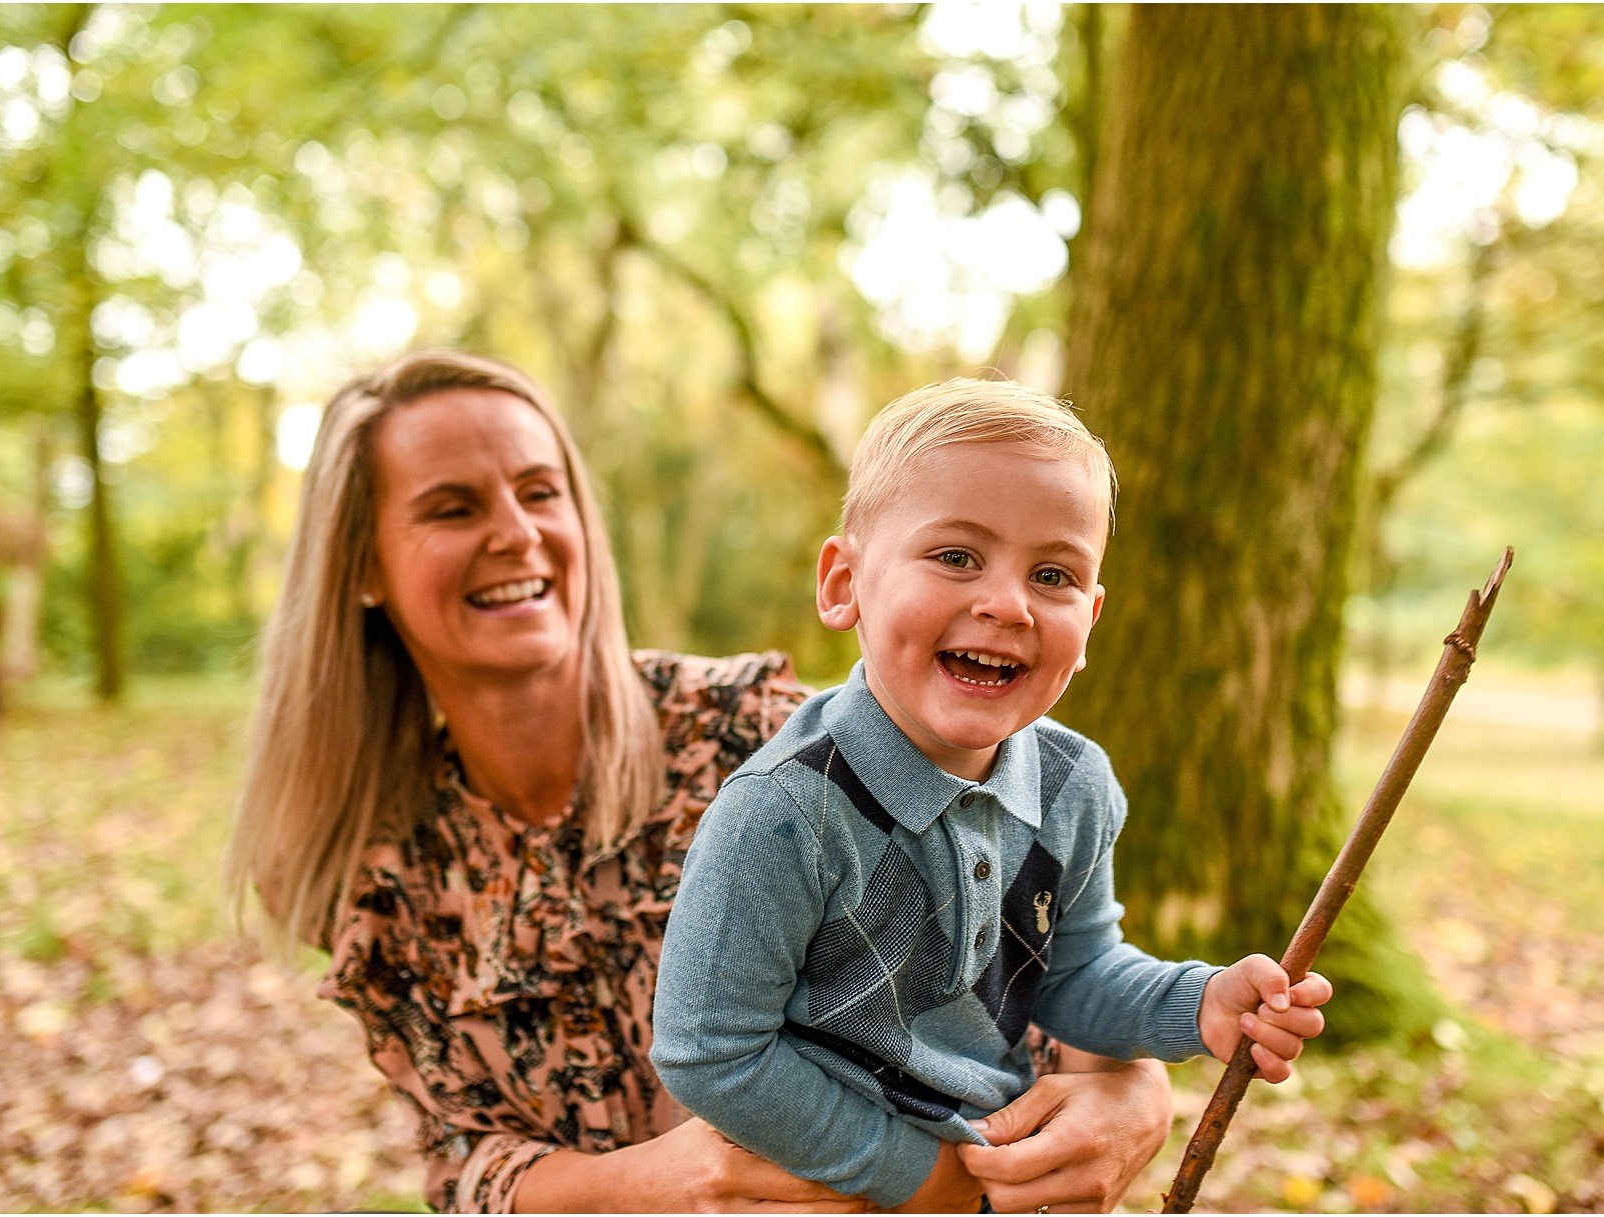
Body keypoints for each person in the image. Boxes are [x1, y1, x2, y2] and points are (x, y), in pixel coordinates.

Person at [228, 351, 1192, 1214]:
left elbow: (1010, 935)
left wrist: (1132, 1092)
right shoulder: (381, 872)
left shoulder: (755, 728)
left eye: (540, 491)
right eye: (453, 507)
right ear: (361, 565)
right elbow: (463, 1163)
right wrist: (664, 1184)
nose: (516, 533)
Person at [651, 379, 1333, 1210]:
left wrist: (1200, 1002)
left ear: (1092, 620)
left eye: (1053, 574)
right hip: (816, 1187)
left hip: (992, 1180)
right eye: (956, 556)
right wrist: (916, 1178)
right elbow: (708, 1051)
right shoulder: (787, 812)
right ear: (844, 583)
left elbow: (1074, 977)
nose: (1007, 604)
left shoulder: (1073, 785)